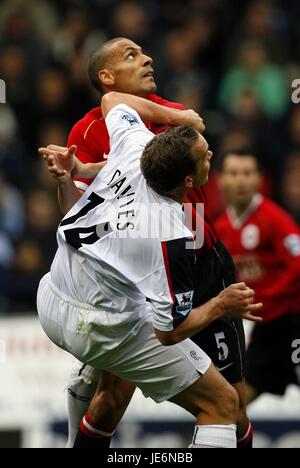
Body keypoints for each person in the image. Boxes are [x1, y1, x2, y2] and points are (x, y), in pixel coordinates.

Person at [39, 37, 254, 450]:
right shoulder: (88, 131)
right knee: (118, 398)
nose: (148, 58)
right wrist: (72, 177)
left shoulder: (147, 119)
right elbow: (167, 331)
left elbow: (156, 137)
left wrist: (87, 167)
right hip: (138, 282)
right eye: (132, 55)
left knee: (235, 405)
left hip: (199, 264)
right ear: (106, 76)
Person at [216, 148, 300, 404]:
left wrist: (262, 298)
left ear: (259, 179)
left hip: (293, 322)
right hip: (265, 331)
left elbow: (297, 265)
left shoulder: (275, 220)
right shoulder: (219, 229)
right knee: (236, 402)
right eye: (233, 173)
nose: (240, 180)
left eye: (247, 173)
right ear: (221, 180)